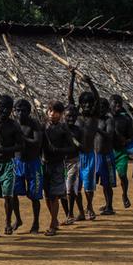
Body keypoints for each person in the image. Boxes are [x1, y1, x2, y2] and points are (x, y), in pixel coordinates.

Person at [42, 101, 76, 235]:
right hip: (44, 164)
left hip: (57, 165)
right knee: (47, 195)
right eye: (50, 110)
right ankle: (54, 219)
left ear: (61, 114)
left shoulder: (63, 128)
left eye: (55, 112)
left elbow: (72, 147)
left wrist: (59, 150)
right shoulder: (43, 127)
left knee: (55, 196)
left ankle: (52, 223)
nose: (52, 114)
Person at [0, 95, 24, 234]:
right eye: (2, 107)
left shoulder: (14, 125)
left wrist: (5, 149)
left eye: (8, 108)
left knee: (8, 195)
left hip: (8, 164)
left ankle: (7, 223)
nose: (5, 110)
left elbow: (21, 145)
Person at [12, 99, 44, 233]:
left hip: (33, 163)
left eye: (23, 111)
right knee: (12, 192)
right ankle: (17, 219)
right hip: (17, 162)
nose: (20, 113)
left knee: (35, 195)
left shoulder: (34, 124)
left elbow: (37, 141)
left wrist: (22, 138)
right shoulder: (13, 124)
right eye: (18, 110)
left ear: (29, 112)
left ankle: (36, 222)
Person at [72, 78, 100, 220]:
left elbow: (98, 98)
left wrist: (90, 83)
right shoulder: (76, 117)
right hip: (77, 156)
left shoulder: (94, 117)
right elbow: (70, 99)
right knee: (76, 187)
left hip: (89, 155)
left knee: (89, 186)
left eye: (90, 103)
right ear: (81, 104)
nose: (88, 105)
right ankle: (81, 211)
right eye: (85, 103)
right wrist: (72, 77)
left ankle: (89, 207)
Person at [111, 95, 133, 207]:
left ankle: (125, 195)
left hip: (121, 152)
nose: (118, 105)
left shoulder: (125, 119)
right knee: (107, 179)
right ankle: (108, 203)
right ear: (110, 103)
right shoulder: (106, 118)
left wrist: (125, 141)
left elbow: (131, 136)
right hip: (108, 151)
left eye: (119, 103)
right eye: (115, 103)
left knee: (122, 175)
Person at [94, 98, 117, 215]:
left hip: (106, 155)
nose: (100, 109)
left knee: (107, 183)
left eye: (102, 107)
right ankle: (107, 204)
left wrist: (97, 129)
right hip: (96, 155)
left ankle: (110, 207)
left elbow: (109, 135)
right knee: (102, 182)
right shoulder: (95, 119)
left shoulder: (109, 120)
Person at [63, 103, 85, 223]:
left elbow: (83, 147)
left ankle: (70, 213)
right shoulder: (59, 128)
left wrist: (74, 141)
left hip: (74, 162)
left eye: (73, 116)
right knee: (64, 191)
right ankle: (71, 213)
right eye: (68, 116)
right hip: (60, 162)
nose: (71, 119)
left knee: (70, 189)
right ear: (63, 116)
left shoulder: (78, 130)